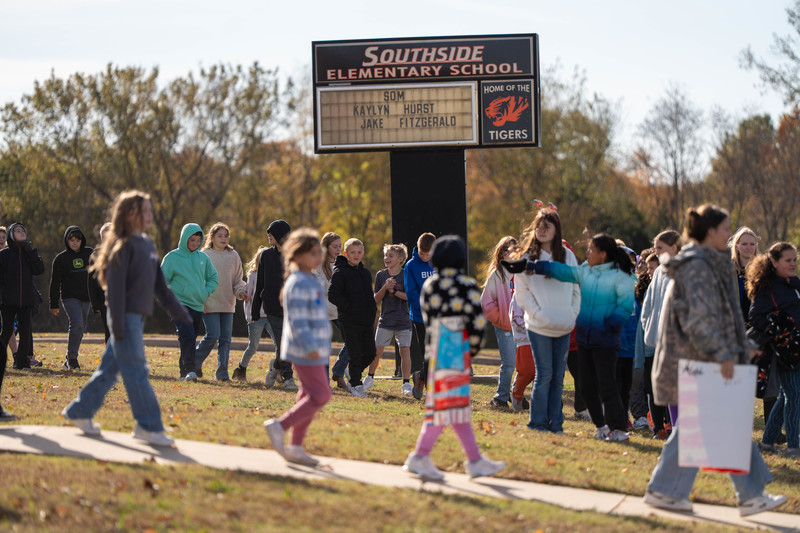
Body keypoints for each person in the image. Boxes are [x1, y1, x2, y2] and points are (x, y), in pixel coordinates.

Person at [644, 204, 786, 517]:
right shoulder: (697, 265)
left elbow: (719, 316)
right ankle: (747, 494)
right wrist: (723, 354)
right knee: (714, 424)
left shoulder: (708, 263)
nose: (729, 234)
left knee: (708, 425)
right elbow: (698, 320)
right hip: (697, 360)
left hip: (703, 359)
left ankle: (669, 490)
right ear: (710, 231)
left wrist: (738, 346)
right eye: (725, 229)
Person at [61, 190, 192, 446]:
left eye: (150, 211)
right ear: (129, 215)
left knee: (109, 371)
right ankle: (149, 426)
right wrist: (118, 326)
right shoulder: (122, 248)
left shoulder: (147, 245)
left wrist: (179, 312)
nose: (149, 215)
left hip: (137, 319)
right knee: (137, 370)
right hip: (125, 319)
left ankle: (80, 411)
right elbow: (116, 292)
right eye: (144, 211)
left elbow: (161, 287)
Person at [514, 233, 635, 442]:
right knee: (587, 387)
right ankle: (601, 427)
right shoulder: (585, 272)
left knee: (607, 385)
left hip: (606, 342)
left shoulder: (620, 277)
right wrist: (533, 267)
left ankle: (619, 429)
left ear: (603, 254)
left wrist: (607, 326)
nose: (587, 253)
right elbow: (562, 271)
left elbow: (624, 308)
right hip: (584, 341)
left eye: (591, 249)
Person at [403, 235, 505, 480]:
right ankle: (420, 457)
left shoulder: (431, 286)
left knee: (453, 408)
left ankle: (473, 460)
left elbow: (426, 319)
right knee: (448, 407)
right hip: (457, 352)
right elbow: (478, 325)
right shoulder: (467, 286)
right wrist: (472, 350)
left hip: (437, 351)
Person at [264, 229, 332, 466]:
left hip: (315, 348)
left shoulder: (309, 279)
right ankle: (279, 426)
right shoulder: (298, 282)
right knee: (322, 395)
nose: (318, 257)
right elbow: (298, 320)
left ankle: (295, 447)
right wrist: (311, 346)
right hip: (306, 350)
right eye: (313, 253)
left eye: (319, 253)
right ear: (298, 255)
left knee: (307, 395)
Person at [509, 210, 580, 434]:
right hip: (538, 326)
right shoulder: (526, 257)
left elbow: (576, 287)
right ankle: (537, 423)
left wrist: (572, 314)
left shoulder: (567, 256)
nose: (542, 230)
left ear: (556, 230)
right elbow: (522, 293)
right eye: (539, 225)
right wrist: (537, 313)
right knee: (544, 374)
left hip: (563, 325)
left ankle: (556, 424)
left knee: (558, 376)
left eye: (547, 226)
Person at [747, 242, 800, 458]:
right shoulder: (766, 287)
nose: (793, 263)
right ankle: (793, 447)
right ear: (775, 262)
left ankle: (767, 442)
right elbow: (755, 317)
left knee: (788, 395)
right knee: (794, 394)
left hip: (797, 347)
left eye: (795, 259)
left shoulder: (795, 284)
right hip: (782, 351)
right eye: (788, 260)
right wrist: (781, 326)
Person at [161, 223, 219, 381]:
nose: (194, 243)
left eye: (197, 240)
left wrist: (205, 292)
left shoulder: (203, 258)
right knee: (186, 336)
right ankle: (190, 370)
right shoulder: (172, 257)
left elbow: (214, 278)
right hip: (179, 305)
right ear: (184, 238)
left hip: (198, 305)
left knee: (191, 337)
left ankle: (184, 372)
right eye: (192, 239)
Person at [0, 223, 45, 419]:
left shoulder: (28, 252)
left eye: (24, 231)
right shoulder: (4, 255)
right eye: (18, 231)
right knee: (7, 330)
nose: (22, 233)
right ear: (11, 234)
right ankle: (3, 360)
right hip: (8, 301)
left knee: (27, 332)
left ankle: (22, 361)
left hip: (26, 300)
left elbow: (39, 269)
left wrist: (30, 250)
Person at [640, 230, 682, 439]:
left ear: (674, 248)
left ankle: (681, 429)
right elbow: (648, 306)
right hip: (660, 341)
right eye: (655, 248)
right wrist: (651, 328)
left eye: (660, 248)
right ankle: (675, 429)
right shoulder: (658, 272)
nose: (656, 253)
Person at [194, 223, 248, 382]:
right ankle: (193, 362)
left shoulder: (233, 256)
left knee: (225, 339)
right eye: (220, 236)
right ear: (211, 237)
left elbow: (238, 280)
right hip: (209, 302)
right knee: (213, 335)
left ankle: (222, 374)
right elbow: (199, 280)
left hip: (227, 303)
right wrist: (201, 300)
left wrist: (241, 292)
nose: (224, 239)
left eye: (226, 236)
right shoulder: (204, 255)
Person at [328, 238, 377, 397]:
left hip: (366, 320)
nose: (356, 255)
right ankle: (356, 385)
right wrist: (348, 308)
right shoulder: (340, 272)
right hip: (349, 320)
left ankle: (351, 371)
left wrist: (372, 312)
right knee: (355, 353)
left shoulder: (365, 273)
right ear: (345, 254)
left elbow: (370, 296)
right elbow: (333, 295)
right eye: (352, 252)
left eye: (359, 252)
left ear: (362, 253)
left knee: (370, 353)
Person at [251, 220, 297, 391]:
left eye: (272, 233)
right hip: (273, 308)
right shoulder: (265, 255)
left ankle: (275, 367)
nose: (268, 235)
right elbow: (260, 284)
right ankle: (288, 378)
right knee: (283, 343)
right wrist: (255, 311)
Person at [367, 243, 413, 394]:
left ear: (400, 259)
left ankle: (406, 384)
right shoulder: (381, 275)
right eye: (386, 255)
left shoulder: (406, 274)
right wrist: (385, 288)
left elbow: (410, 297)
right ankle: (369, 378)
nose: (386, 258)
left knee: (405, 351)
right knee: (377, 351)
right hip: (385, 320)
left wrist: (394, 291)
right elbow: (376, 299)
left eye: (390, 255)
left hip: (403, 321)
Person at [480, 236, 519, 410]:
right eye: (505, 249)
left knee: (526, 366)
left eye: (513, 248)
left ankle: (516, 394)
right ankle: (501, 397)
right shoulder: (497, 274)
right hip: (505, 328)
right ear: (500, 253)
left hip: (524, 328)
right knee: (509, 364)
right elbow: (486, 303)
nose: (509, 252)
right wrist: (501, 319)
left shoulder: (524, 272)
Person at [49, 225, 94, 370]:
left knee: (81, 327)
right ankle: (73, 359)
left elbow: (97, 275)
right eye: (71, 239)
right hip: (69, 298)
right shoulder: (61, 259)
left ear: (82, 240)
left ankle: (68, 358)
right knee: (77, 324)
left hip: (86, 298)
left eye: (77, 239)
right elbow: (54, 283)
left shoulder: (89, 253)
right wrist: (53, 303)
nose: (75, 242)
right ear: (67, 241)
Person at [313, 232, 350, 390]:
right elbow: (319, 289)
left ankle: (338, 371)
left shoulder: (342, 264)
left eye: (340, 246)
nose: (338, 249)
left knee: (353, 341)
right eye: (335, 246)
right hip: (321, 312)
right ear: (326, 247)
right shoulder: (317, 265)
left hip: (339, 311)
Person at [405, 232, 436, 400]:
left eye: (428, 254)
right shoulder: (411, 266)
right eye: (422, 253)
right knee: (428, 352)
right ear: (418, 248)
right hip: (420, 317)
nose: (425, 257)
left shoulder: (438, 263)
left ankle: (421, 377)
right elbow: (411, 292)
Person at [232, 247, 269, 382]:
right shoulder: (253, 276)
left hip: (271, 316)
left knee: (280, 344)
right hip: (256, 316)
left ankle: (278, 370)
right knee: (253, 346)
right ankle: (241, 368)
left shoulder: (274, 275)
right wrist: (249, 314)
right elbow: (248, 297)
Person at [509, 293, 534, 412]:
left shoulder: (542, 289)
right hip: (525, 340)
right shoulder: (519, 293)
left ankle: (539, 403)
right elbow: (515, 318)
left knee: (541, 374)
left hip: (543, 338)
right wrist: (531, 329)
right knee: (527, 371)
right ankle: (516, 395)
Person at [88, 223, 112, 344]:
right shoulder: (96, 255)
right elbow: (91, 282)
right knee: (109, 329)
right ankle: (110, 358)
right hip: (104, 300)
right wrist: (95, 303)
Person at [0, 227, 19, 365]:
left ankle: (16, 356)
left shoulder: (9, 255)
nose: (1, 240)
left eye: (3, 237)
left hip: (6, 298)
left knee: (8, 327)